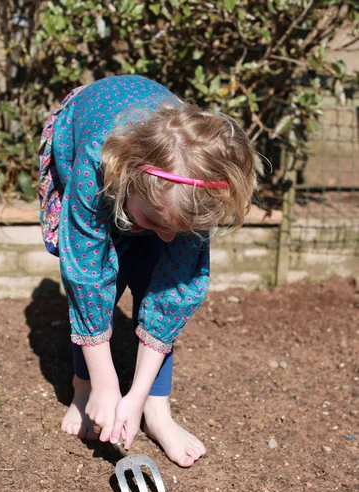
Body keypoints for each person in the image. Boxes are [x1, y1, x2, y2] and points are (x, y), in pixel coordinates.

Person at [38, 74, 256, 467]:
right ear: (129, 177)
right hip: (94, 151)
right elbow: (86, 277)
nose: (171, 239)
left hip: (155, 193)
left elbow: (172, 296)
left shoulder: (193, 186)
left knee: (162, 275)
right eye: (157, 223)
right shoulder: (96, 163)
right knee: (97, 289)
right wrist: (106, 383)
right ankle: (83, 389)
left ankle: (157, 410)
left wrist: (135, 395)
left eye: (180, 230)